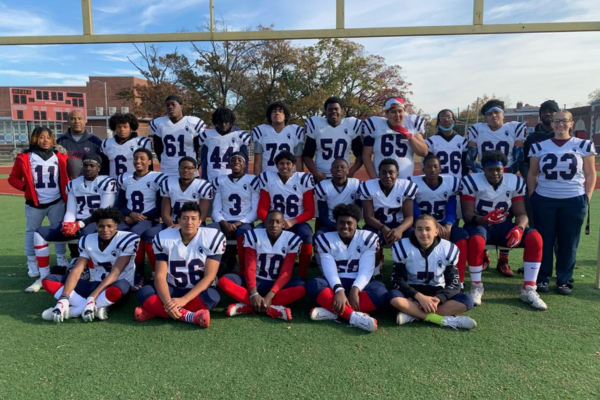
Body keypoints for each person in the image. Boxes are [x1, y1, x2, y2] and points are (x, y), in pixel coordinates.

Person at [461, 150, 547, 310]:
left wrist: (520, 228)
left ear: (504, 169)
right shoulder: (472, 181)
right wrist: (484, 219)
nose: (494, 173)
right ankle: (476, 286)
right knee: (476, 240)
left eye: (498, 169)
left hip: (502, 225)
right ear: (483, 169)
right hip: (479, 225)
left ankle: (529, 288)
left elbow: (521, 213)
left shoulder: (514, 182)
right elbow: (467, 215)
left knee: (535, 238)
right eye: (490, 170)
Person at [527, 110, 597, 295]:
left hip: (573, 199)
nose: (560, 124)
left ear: (571, 123)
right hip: (545, 199)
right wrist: (534, 195)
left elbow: (590, 173)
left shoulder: (584, 145)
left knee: (568, 241)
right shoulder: (539, 146)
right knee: (544, 240)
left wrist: (587, 195)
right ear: (552, 124)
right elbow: (533, 173)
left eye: (564, 121)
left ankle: (564, 280)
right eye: (556, 121)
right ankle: (542, 278)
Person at [29, 153, 117, 293]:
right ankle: (44, 276)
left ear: (98, 168)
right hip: (77, 223)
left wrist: (80, 225)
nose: (88, 168)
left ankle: (93, 275)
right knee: (40, 234)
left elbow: (103, 212)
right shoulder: (73, 184)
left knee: (87, 235)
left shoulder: (107, 183)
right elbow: (71, 209)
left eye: (92, 166)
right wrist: (67, 224)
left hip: (96, 223)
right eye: (86, 165)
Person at [134, 202, 225, 328]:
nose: (189, 222)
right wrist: (167, 301)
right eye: (185, 218)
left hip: (197, 290)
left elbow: (209, 277)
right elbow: (160, 276)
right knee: (144, 292)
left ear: (200, 222)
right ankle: (191, 317)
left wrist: (184, 300)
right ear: (178, 220)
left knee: (212, 297)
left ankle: (157, 311)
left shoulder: (211, 238)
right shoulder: (165, 238)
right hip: (173, 288)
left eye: (193, 219)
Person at [40, 207, 138, 323]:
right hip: (95, 284)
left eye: (109, 226)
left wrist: (92, 297)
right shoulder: (88, 240)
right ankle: (94, 307)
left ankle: (74, 312)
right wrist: (64, 298)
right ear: (96, 226)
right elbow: (77, 270)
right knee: (48, 280)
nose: (105, 229)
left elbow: (115, 272)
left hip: (114, 287)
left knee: (121, 285)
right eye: (101, 226)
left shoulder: (128, 238)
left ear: (116, 225)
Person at [467, 99, 528, 274]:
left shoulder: (514, 127)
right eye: (489, 113)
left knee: (505, 214)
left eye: (497, 112)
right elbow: (471, 157)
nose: (494, 116)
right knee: (482, 211)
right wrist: (483, 172)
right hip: (482, 173)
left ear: (503, 114)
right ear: (485, 117)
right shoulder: (477, 129)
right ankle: (484, 253)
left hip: (507, 173)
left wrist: (503, 173)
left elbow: (518, 155)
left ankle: (504, 259)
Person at [307, 204, 386, 333]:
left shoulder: (367, 238)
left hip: (360, 283)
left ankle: (333, 312)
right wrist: (339, 290)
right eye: (341, 223)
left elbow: (367, 269)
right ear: (336, 223)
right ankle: (353, 317)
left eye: (349, 223)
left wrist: (355, 290)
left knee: (380, 292)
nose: (345, 226)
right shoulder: (325, 239)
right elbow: (329, 269)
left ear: (356, 224)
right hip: (335, 282)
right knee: (314, 284)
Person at [388, 215, 476, 329]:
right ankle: (441, 319)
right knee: (393, 297)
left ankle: (413, 313)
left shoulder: (447, 249)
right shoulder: (403, 247)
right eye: (419, 229)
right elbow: (397, 281)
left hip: (437, 292)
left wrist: (438, 299)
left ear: (436, 232)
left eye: (428, 229)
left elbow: (454, 285)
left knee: (467, 300)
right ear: (414, 231)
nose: (423, 233)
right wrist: (419, 297)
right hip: (412, 293)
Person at [9, 127, 70, 289]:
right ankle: (32, 261)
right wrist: (25, 188)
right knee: (32, 232)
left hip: (56, 201)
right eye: (41, 137)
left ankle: (61, 258)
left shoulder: (60, 156)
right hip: (34, 204)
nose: (45, 140)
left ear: (52, 139)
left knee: (58, 231)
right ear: (34, 139)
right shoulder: (25, 157)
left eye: (48, 137)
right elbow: (13, 178)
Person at [218, 210, 306, 321]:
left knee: (301, 288)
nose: (274, 225)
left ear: (283, 224)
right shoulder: (254, 235)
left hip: (277, 283)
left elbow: (286, 272)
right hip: (256, 280)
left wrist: (271, 294)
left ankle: (249, 306)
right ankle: (270, 308)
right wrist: (253, 292)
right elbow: (250, 267)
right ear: (265, 223)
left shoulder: (291, 239)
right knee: (223, 281)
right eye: (270, 221)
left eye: (278, 222)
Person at [141, 157, 214, 272]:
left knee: (208, 239)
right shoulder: (168, 184)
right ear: (178, 169)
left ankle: (205, 271)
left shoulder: (202, 185)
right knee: (150, 234)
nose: (186, 170)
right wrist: (172, 224)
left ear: (195, 170)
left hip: (195, 224)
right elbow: (165, 212)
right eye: (183, 167)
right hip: (172, 223)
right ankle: (156, 270)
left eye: (190, 168)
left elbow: (202, 215)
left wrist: (183, 225)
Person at [409, 155, 469, 286]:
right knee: (409, 236)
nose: (432, 170)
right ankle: (414, 275)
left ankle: (460, 280)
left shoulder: (449, 184)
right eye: (429, 167)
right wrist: (434, 224)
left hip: (443, 225)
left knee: (461, 238)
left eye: (436, 166)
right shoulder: (413, 184)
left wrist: (448, 225)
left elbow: (451, 210)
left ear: (441, 169)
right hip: (421, 226)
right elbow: (415, 212)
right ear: (422, 168)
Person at [255, 151, 315, 278]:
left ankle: (301, 274)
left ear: (293, 165)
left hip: (296, 222)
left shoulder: (303, 179)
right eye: (281, 163)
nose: (285, 166)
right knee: (255, 234)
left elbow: (310, 211)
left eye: (288, 163)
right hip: (273, 222)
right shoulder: (268, 178)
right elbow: (262, 209)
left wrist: (294, 221)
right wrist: (272, 222)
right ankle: (257, 271)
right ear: (276, 166)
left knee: (307, 235)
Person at [116, 148, 167, 289]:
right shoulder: (126, 179)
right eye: (136, 158)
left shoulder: (157, 178)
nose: (138, 161)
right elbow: (119, 205)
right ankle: (109, 269)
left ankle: (140, 272)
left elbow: (159, 208)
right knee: (110, 232)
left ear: (149, 161)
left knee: (135, 235)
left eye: (142, 158)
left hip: (150, 219)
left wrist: (139, 217)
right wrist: (131, 214)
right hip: (131, 217)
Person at [358, 158, 417, 278]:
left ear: (397, 174)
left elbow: (409, 217)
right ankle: (373, 271)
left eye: (391, 172)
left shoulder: (405, 187)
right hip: (376, 225)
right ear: (379, 173)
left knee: (413, 236)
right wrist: (383, 228)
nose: (387, 176)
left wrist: (399, 230)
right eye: (384, 172)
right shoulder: (368, 186)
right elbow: (368, 217)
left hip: (399, 225)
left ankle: (408, 271)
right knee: (368, 236)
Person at [210, 152, 259, 273]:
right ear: (229, 164)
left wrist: (238, 223)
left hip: (244, 221)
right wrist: (223, 223)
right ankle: (211, 267)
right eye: (233, 160)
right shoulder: (220, 181)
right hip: (224, 220)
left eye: (240, 160)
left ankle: (242, 267)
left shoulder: (251, 180)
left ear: (244, 164)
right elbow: (216, 210)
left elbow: (255, 211)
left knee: (244, 233)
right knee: (208, 232)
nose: (236, 162)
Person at [362, 97, 428, 180]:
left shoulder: (411, 125)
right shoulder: (375, 126)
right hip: (382, 180)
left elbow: (423, 152)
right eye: (393, 112)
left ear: (404, 111)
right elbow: (366, 155)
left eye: (400, 111)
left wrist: (410, 137)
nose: (397, 115)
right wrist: (374, 178)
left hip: (405, 181)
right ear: (386, 113)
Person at [302, 96, 363, 183]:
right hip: (321, 176)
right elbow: (307, 155)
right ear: (325, 112)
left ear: (341, 111)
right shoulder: (316, 126)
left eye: (336, 109)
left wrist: (351, 171)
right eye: (330, 109)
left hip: (343, 177)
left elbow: (360, 155)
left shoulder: (350, 126)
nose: (333, 111)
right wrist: (317, 173)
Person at [521, 100, 559, 228]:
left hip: (557, 189)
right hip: (536, 189)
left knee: (558, 229)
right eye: (544, 111)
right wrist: (531, 183)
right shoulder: (531, 138)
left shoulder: (564, 136)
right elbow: (525, 163)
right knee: (535, 226)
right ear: (540, 115)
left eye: (551, 111)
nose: (548, 114)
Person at [150, 95, 206, 178]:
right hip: (167, 171)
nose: (170, 107)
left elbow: (200, 147)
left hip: (189, 172)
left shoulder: (192, 123)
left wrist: (195, 164)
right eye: (167, 105)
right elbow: (158, 148)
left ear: (181, 106)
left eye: (173, 104)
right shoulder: (159, 124)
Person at [198, 107, 251, 181]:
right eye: (220, 121)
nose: (223, 124)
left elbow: (244, 160)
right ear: (216, 121)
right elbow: (204, 161)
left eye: (226, 122)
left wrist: (243, 179)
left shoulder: (240, 136)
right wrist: (204, 179)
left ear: (231, 121)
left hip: (232, 178)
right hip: (212, 178)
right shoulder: (207, 136)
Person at [252, 101, 305, 174]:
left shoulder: (295, 132)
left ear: (285, 115)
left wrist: (299, 181)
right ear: (269, 116)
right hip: (267, 178)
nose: (277, 113)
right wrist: (257, 182)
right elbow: (257, 163)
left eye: (280, 111)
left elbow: (299, 162)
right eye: (274, 111)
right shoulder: (261, 132)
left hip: (288, 178)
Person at [314, 158, 361, 236]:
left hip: (350, 222)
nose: (339, 169)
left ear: (347, 170)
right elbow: (322, 215)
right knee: (318, 236)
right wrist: (333, 226)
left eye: (342, 167)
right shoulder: (323, 186)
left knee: (364, 238)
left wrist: (350, 224)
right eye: (336, 167)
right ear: (331, 170)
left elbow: (358, 210)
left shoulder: (356, 185)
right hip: (331, 222)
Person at [101, 112, 153, 179]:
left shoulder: (141, 142)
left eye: (125, 127)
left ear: (131, 127)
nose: (122, 129)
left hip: (135, 182)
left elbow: (149, 166)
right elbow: (104, 168)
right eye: (119, 127)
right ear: (114, 128)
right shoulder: (107, 143)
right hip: (114, 183)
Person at [57, 110, 106, 179]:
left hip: (90, 185)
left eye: (80, 118)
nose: (77, 121)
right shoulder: (60, 142)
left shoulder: (95, 142)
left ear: (85, 121)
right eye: (73, 118)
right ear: (68, 121)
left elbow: (103, 165)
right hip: (69, 185)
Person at [425, 109, 468, 178]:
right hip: (438, 183)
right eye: (442, 118)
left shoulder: (462, 141)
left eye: (449, 117)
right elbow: (426, 167)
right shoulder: (430, 142)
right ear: (438, 122)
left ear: (453, 120)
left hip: (457, 182)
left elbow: (465, 166)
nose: (446, 120)